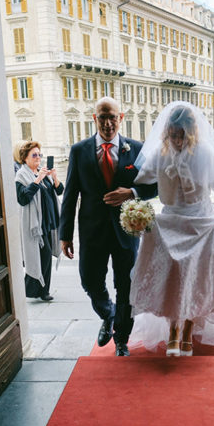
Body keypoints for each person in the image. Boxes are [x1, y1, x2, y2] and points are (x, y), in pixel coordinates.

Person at [129, 102, 214, 356]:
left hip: (200, 222)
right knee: (173, 279)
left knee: (194, 279)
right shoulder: (160, 153)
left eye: (181, 135)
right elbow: (141, 180)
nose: (177, 140)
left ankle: (187, 331)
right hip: (171, 221)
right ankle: (173, 331)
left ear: (191, 132)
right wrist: (135, 205)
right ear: (167, 133)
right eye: (173, 135)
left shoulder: (205, 153)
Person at [59, 97, 157, 356]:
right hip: (91, 232)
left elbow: (154, 187)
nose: (108, 123)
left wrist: (132, 192)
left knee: (126, 286)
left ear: (121, 118)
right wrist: (65, 235)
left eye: (112, 117)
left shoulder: (136, 149)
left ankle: (122, 339)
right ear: (94, 119)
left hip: (127, 231)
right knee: (90, 281)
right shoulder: (79, 151)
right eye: (102, 117)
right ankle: (109, 314)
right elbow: (70, 194)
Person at [15, 141, 64, 301]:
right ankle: (42, 291)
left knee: (44, 256)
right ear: (25, 158)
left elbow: (59, 190)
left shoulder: (41, 173)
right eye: (34, 155)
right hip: (35, 224)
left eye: (39, 154)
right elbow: (23, 198)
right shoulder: (22, 175)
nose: (38, 158)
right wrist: (38, 180)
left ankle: (33, 290)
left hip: (48, 222)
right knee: (43, 255)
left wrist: (54, 177)